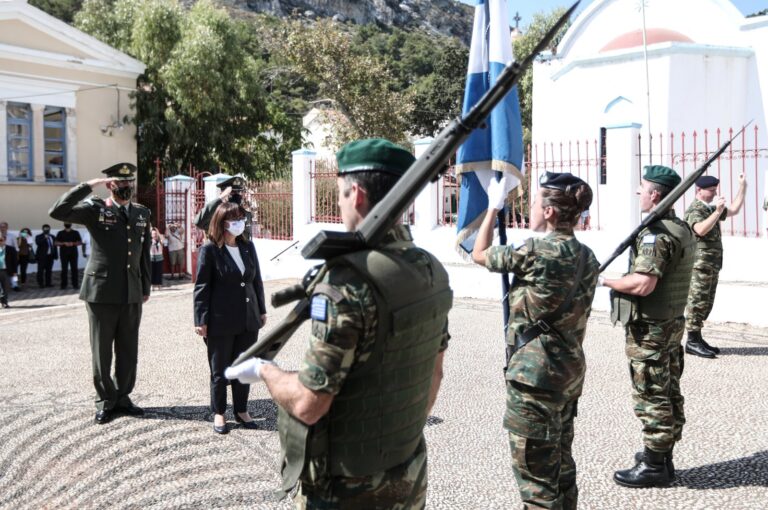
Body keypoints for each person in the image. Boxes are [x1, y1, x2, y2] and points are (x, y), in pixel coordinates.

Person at [226, 139, 453, 508]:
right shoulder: (431, 270)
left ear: (357, 194)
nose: (340, 204)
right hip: (408, 478)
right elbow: (435, 375)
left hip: (346, 493)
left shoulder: (348, 284)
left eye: (340, 194)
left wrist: (266, 371)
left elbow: (309, 403)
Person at [471, 172, 599, 509]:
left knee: (536, 477)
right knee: (561, 464)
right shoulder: (588, 257)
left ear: (550, 211)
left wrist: (492, 208)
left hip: (534, 379)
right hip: (568, 374)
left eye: (536, 202)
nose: (531, 208)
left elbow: (479, 253)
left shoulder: (534, 251)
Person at [602, 165, 695, 488]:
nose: (637, 192)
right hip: (671, 322)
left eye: (642, 188)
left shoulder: (657, 235)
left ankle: (654, 466)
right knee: (668, 388)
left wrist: (604, 281)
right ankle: (662, 454)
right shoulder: (680, 228)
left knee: (651, 392)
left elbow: (643, 284)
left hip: (651, 328)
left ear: (655, 194)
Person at [49, 162, 151, 424]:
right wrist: (86, 186)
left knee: (128, 349)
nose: (126, 186)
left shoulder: (141, 213)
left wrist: (145, 287)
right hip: (101, 292)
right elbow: (57, 211)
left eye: (129, 182)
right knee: (102, 350)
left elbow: (144, 253)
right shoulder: (94, 210)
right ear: (110, 185)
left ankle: (123, 397)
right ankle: (106, 400)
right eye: (120, 182)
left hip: (131, 291)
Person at [193, 202, 267, 434]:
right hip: (221, 320)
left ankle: (241, 410)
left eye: (241, 218)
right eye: (235, 219)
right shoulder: (210, 250)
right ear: (222, 222)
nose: (240, 223)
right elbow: (202, 287)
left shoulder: (247, 246)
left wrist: (261, 309)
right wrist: (201, 319)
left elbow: (256, 281)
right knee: (220, 369)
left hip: (248, 319)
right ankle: (219, 412)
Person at [683, 174, 747, 358]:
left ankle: (697, 338)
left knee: (706, 303)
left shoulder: (709, 209)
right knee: (697, 302)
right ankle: (692, 341)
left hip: (711, 265)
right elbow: (700, 229)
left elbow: (734, 209)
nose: (714, 193)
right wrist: (717, 212)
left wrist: (742, 186)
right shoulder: (695, 209)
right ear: (699, 190)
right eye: (710, 190)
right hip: (700, 266)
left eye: (715, 190)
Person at [194, 175, 254, 242]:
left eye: (239, 192)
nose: (237, 195)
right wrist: (220, 198)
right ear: (224, 194)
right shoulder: (216, 214)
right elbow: (199, 222)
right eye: (232, 192)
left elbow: (247, 239)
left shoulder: (246, 214)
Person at [55, 223, 84, 289]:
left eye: (68, 222)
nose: (67, 223)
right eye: (66, 222)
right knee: (64, 269)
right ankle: (63, 285)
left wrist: (73, 243)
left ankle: (75, 285)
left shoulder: (75, 232)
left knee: (74, 269)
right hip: (63, 254)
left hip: (73, 253)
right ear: (64, 224)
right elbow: (56, 243)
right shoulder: (60, 233)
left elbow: (80, 242)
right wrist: (63, 243)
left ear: (71, 224)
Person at [0, 235, 19, 308]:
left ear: (5, 240)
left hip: (6, 271)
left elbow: (15, 261)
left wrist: (15, 272)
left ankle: (4, 302)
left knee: (5, 287)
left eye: (1, 240)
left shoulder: (10, 249)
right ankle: (2, 300)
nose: (0, 242)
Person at [149, 227, 165, 292]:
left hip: (159, 258)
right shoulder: (150, 241)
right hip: (152, 258)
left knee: (159, 272)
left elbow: (162, 238)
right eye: (153, 234)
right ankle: (152, 285)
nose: (154, 235)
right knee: (152, 272)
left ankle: (159, 285)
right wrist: (150, 231)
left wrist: (157, 232)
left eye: (155, 234)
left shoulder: (160, 240)